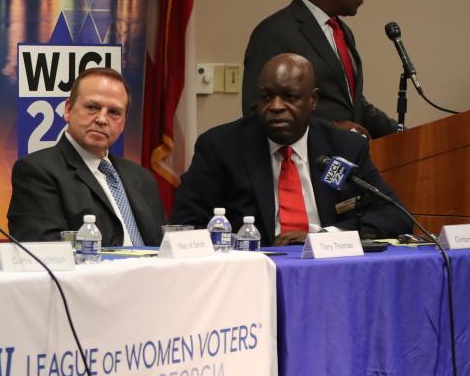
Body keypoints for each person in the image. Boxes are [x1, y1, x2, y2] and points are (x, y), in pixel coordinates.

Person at [173, 53, 409, 245]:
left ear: (313, 100)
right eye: (266, 97)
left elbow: (395, 215)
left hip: (330, 271)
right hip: (253, 276)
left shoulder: (344, 148)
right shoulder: (221, 147)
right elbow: (187, 224)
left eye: (290, 97)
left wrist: (322, 238)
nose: (276, 107)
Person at [242, 0, 400, 139]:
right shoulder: (273, 32)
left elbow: (352, 104)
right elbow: (256, 111)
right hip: (304, 165)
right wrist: (330, 129)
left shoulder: (342, 31)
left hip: (349, 162)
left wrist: (406, 135)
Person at [7, 67, 166, 245]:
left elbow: (165, 245)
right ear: (68, 109)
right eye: (92, 107)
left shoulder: (142, 177)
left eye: (114, 112)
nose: (102, 119)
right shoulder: (37, 171)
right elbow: (45, 251)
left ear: (123, 123)